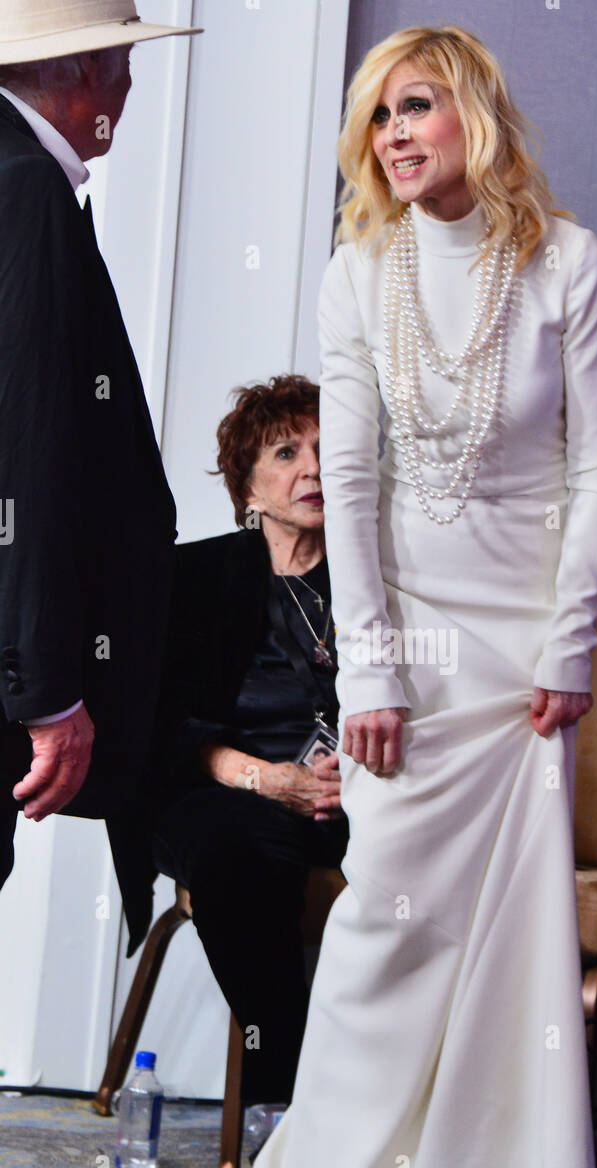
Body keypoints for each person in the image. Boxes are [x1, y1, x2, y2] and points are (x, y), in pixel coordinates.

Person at [221, 24, 597, 1168]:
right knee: (383, 935)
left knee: (509, 955)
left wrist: (569, 643)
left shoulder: (568, 263)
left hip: (524, 668)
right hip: (411, 654)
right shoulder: (358, 271)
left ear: (475, 117)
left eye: (416, 108)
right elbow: (351, 483)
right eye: (376, 117)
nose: (393, 135)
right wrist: (373, 674)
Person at [0, 0, 201, 888]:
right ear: (79, 72)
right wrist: (46, 688)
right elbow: (26, 455)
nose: (130, 80)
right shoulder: (25, 187)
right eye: (122, 59)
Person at [141, 376, 348, 1110]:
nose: (313, 468)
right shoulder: (200, 578)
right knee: (238, 858)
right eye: (287, 452)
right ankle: (283, 1107)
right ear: (248, 489)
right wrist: (263, 777)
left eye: (325, 449)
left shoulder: (380, 580)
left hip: (356, 799)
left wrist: (358, 777)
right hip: (222, 790)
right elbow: (159, 727)